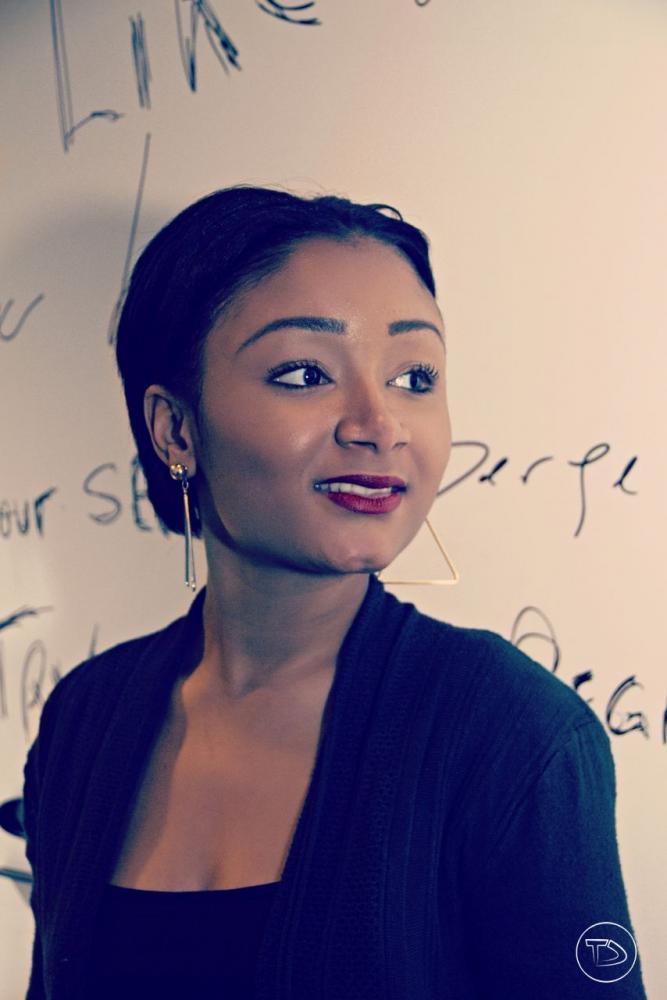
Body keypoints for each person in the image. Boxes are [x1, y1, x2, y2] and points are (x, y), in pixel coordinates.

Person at [23, 186, 646, 999]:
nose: (378, 424)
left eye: (414, 377)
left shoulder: (511, 733)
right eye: (304, 373)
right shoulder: (85, 719)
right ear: (176, 429)